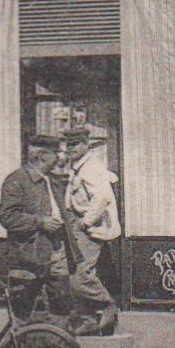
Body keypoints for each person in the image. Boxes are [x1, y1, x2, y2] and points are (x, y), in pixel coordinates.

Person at [0, 135, 71, 327]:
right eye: (57, 153)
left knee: (61, 307)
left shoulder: (53, 181)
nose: (60, 158)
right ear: (42, 156)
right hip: (27, 257)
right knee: (22, 312)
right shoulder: (17, 180)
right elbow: (7, 217)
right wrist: (40, 222)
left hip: (57, 253)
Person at [63, 124, 122, 336]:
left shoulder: (90, 167)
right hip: (76, 225)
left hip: (88, 229)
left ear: (86, 144)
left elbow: (102, 197)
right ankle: (88, 318)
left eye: (75, 144)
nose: (71, 148)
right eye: (68, 144)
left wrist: (86, 222)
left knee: (79, 276)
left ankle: (107, 305)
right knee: (77, 273)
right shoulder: (77, 165)